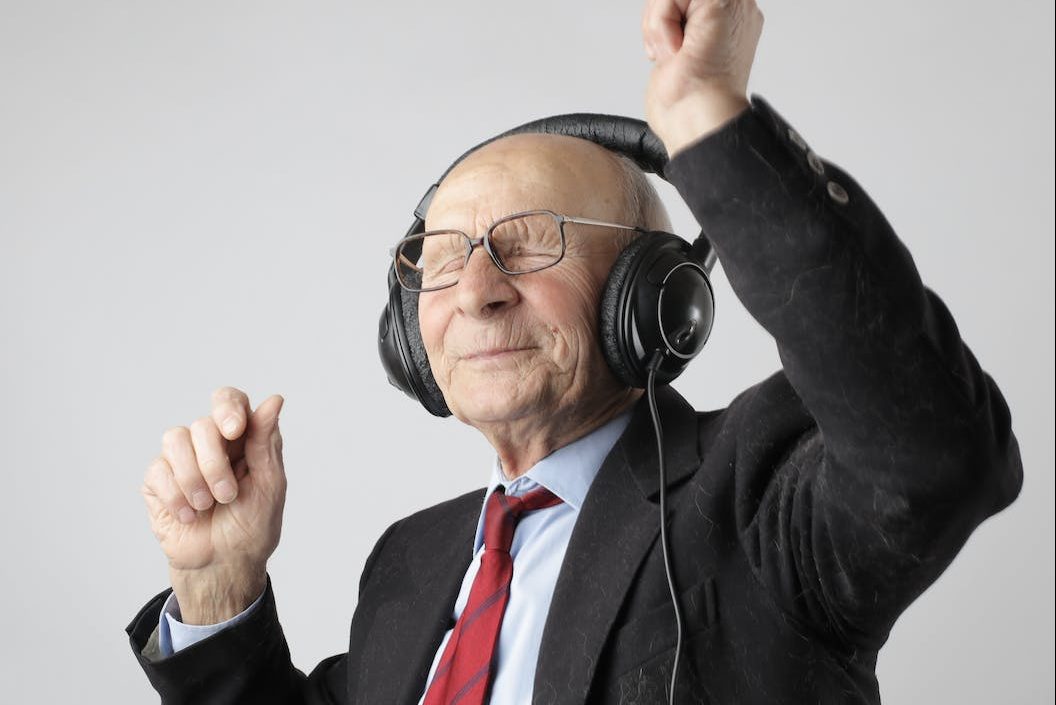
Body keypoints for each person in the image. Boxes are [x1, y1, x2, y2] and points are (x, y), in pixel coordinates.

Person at [127, 1, 1023, 703]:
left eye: (529, 243)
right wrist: (219, 590)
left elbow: (934, 454)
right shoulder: (410, 560)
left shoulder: (755, 492)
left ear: (653, 298)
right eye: (442, 259)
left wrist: (707, 118)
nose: (476, 289)